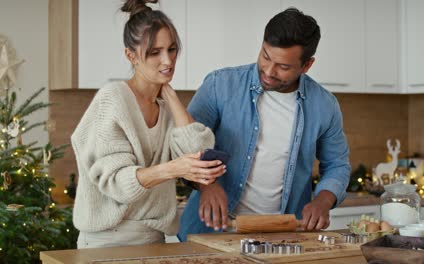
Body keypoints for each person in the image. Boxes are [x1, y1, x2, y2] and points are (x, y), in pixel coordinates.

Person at [178, 7, 350, 241]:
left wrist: (323, 200)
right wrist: (208, 185)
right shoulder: (220, 85)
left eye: (284, 67)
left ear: (307, 65)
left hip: (281, 237)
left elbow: (337, 164)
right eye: (266, 56)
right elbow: (186, 143)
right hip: (212, 232)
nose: (269, 71)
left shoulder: (325, 105)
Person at [71, 0, 225, 249]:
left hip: (154, 239)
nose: (168, 61)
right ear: (130, 55)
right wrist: (174, 168)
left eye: (172, 49)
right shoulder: (113, 99)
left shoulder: (165, 108)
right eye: (155, 52)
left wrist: (172, 98)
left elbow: (199, 154)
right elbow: (119, 184)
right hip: (107, 242)